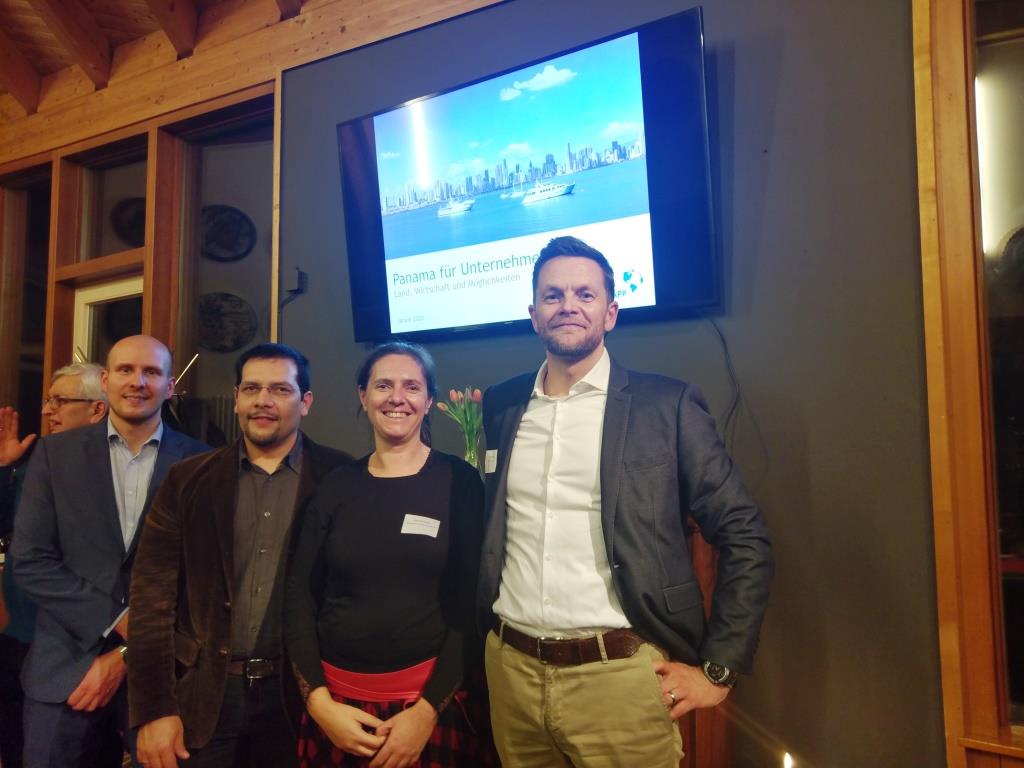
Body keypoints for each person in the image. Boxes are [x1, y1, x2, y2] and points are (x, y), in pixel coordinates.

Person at [479, 236, 773, 767]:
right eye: (552, 295)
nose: (568, 305)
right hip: (512, 674)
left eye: (585, 294)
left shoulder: (667, 405)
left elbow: (743, 532)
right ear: (533, 314)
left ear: (610, 313)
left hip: (619, 679)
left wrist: (719, 671)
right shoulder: (502, 404)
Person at [127, 342, 352, 768]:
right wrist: (155, 709)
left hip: (301, 699)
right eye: (251, 389)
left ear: (305, 402)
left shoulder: (342, 478)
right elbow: (151, 600)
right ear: (235, 399)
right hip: (202, 696)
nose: (263, 401)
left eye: (280, 390)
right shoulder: (187, 480)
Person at [284, 341, 496, 768]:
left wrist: (425, 712)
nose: (397, 397)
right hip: (338, 711)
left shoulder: (460, 482)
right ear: (363, 396)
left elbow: (471, 607)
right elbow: (299, 599)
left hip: (431, 708)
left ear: (429, 401)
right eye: (383, 385)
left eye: (411, 387)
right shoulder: (335, 485)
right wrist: (320, 705)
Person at [10, 337, 209, 768]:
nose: (138, 382)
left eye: (151, 372)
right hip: (64, 670)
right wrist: (117, 621)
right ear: (105, 381)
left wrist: (125, 654)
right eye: (125, 370)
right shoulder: (54, 455)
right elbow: (30, 561)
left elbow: (202, 578)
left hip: (163, 679)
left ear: (170, 386)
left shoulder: (201, 464)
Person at [0, 364, 109, 768]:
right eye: (49, 400)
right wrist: (5, 469)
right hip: (19, 636)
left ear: (97, 409)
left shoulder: (110, 471)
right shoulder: (36, 462)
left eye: (60, 401)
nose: (48, 410)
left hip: (73, 646)